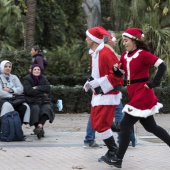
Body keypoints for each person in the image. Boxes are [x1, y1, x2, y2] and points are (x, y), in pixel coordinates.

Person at [103, 28, 170, 168]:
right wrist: (116, 70)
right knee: (151, 127)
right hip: (134, 93)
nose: (124, 43)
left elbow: (162, 65)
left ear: (134, 40)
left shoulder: (143, 54)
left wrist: (154, 83)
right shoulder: (124, 56)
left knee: (125, 125)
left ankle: (118, 159)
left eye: (126, 41)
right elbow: (120, 73)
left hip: (143, 94)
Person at [83, 26, 124, 161]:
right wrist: (91, 82)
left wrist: (100, 84)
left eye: (88, 37)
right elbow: (97, 74)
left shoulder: (106, 53)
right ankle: (122, 129)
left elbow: (117, 75)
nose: (86, 39)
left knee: (101, 125)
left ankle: (114, 151)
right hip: (99, 95)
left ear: (94, 40)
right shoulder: (94, 53)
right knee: (96, 123)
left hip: (108, 95)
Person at [23, 64, 55, 139]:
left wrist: (37, 87)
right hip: (32, 101)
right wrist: (41, 92)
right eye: (35, 69)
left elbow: (48, 88)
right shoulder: (27, 79)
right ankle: (39, 129)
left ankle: (39, 126)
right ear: (32, 70)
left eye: (38, 69)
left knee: (47, 109)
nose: (37, 71)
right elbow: (28, 91)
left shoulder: (43, 78)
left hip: (44, 100)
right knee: (35, 109)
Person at [0, 60, 30, 124]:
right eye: (5, 66)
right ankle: (4, 129)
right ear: (2, 67)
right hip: (2, 100)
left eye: (9, 67)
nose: (8, 68)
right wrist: (12, 95)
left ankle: (17, 128)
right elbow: (1, 93)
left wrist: (10, 90)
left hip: (14, 100)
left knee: (23, 107)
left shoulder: (14, 77)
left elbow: (21, 89)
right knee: (7, 106)